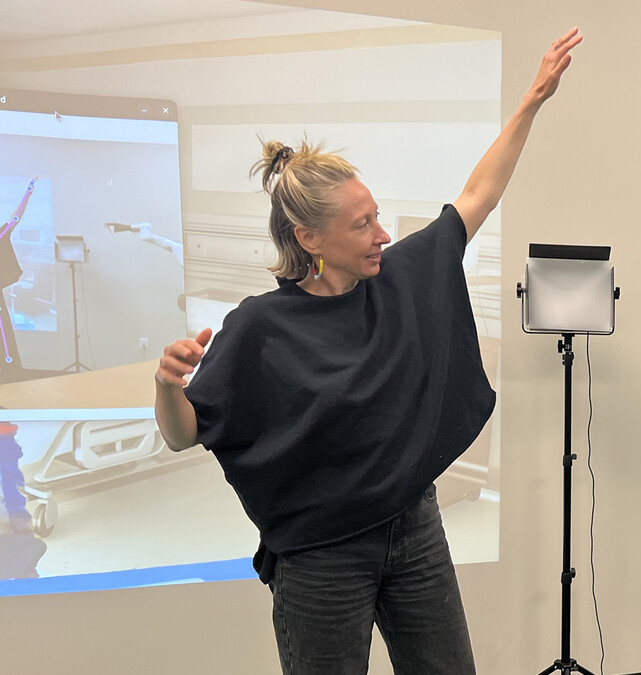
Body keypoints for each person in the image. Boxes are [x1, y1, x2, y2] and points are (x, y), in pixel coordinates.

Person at [153, 28, 583, 674]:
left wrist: (533, 100)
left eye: (378, 215)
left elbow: (477, 196)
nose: (383, 234)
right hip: (319, 557)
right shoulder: (258, 328)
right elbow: (185, 433)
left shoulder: (399, 278)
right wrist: (168, 385)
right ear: (308, 236)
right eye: (363, 224)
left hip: (414, 529)